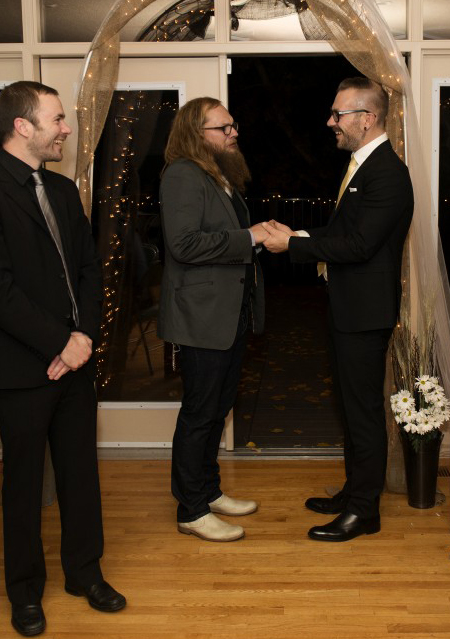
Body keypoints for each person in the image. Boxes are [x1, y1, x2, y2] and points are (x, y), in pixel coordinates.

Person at [0, 81, 125, 637]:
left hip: (74, 361)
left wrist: (84, 339)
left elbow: (89, 271)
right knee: (23, 485)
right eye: (57, 119)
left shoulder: (64, 190)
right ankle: (24, 591)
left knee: (80, 474)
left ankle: (85, 573)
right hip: (22, 366)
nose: (66, 129)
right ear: (22, 126)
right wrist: (60, 343)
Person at [262, 77, 413, 542]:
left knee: (363, 412)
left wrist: (293, 246)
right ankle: (354, 493)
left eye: (338, 114)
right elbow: (343, 231)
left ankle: (365, 511)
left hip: (366, 313)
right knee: (350, 409)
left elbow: (361, 245)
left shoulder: (387, 172)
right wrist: (300, 236)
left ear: (367, 119)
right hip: (351, 308)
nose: (331, 122)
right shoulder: (363, 165)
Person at [158, 97, 265, 543]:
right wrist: (248, 237)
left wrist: (255, 237)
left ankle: (209, 491)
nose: (233, 132)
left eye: (233, 125)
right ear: (195, 134)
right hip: (201, 317)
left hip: (228, 314)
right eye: (224, 127)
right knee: (200, 413)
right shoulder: (183, 174)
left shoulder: (218, 175)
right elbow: (183, 244)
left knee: (217, 409)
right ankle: (191, 509)